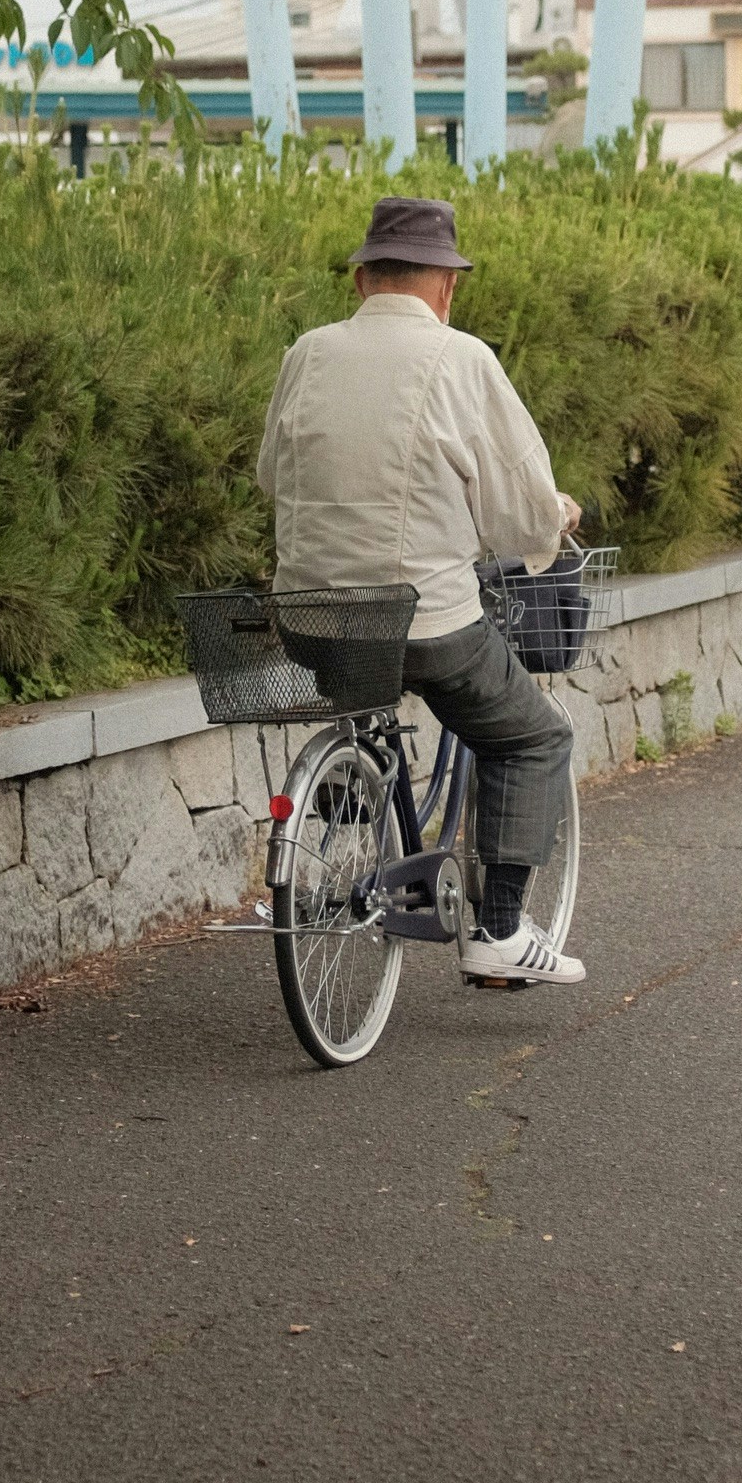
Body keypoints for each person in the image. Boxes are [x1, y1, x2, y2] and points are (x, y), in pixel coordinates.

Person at [257, 193, 588, 988]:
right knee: (532, 737)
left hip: (308, 617)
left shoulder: (307, 351)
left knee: (372, 698)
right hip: (425, 623)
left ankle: (345, 811)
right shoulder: (461, 359)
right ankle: (500, 933)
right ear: (445, 286)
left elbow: (273, 472)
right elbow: (518, 501)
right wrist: (554, 521)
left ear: (364, 278)